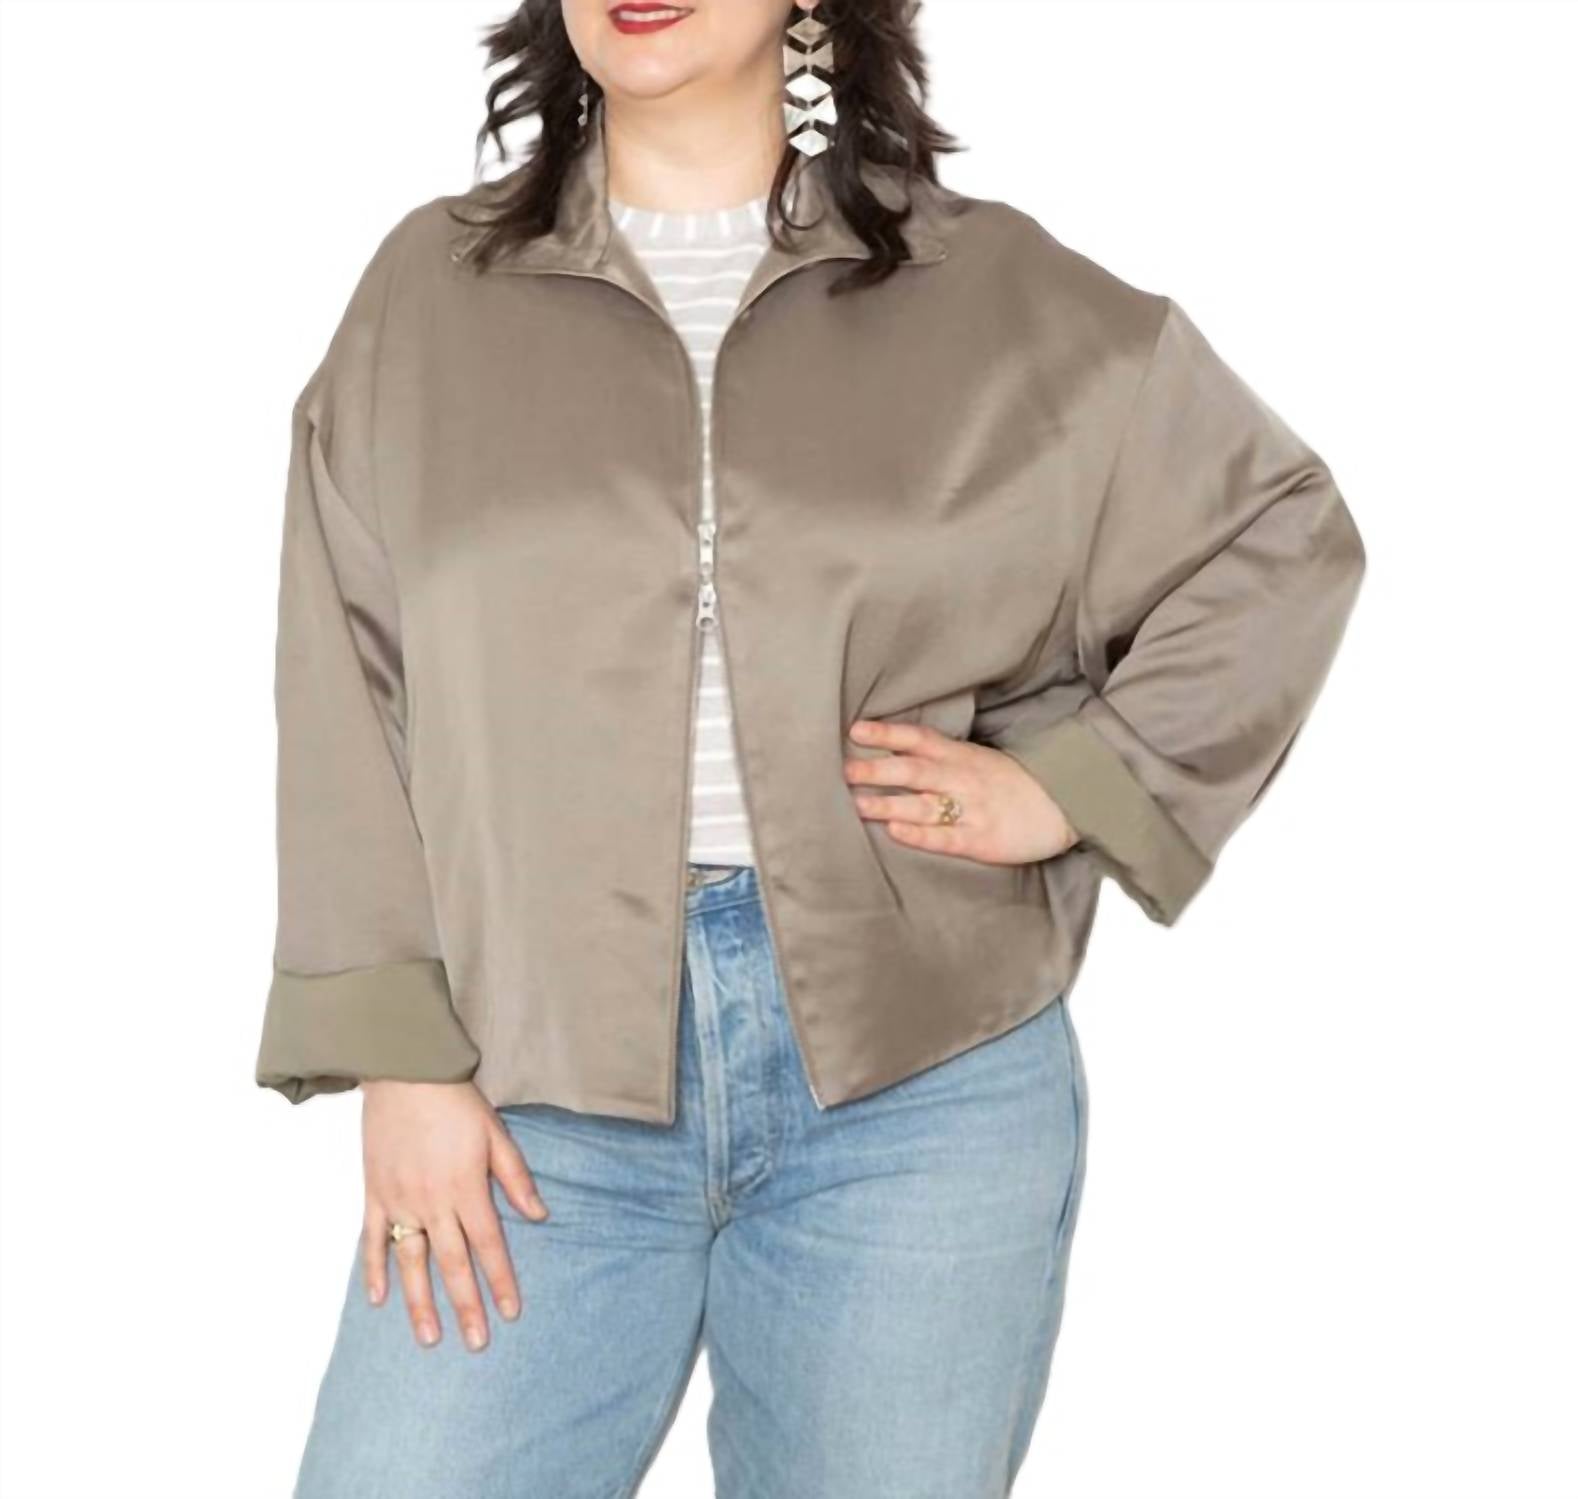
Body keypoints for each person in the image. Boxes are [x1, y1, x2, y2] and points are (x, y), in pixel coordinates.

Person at [258, 1, 1367, 1493]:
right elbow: (346, 673)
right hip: (529, 1085)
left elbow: (1271, 535)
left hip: (919, 1089)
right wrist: (401, 1061)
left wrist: (1069, 789)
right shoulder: (431, 292)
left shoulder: (991, 293)